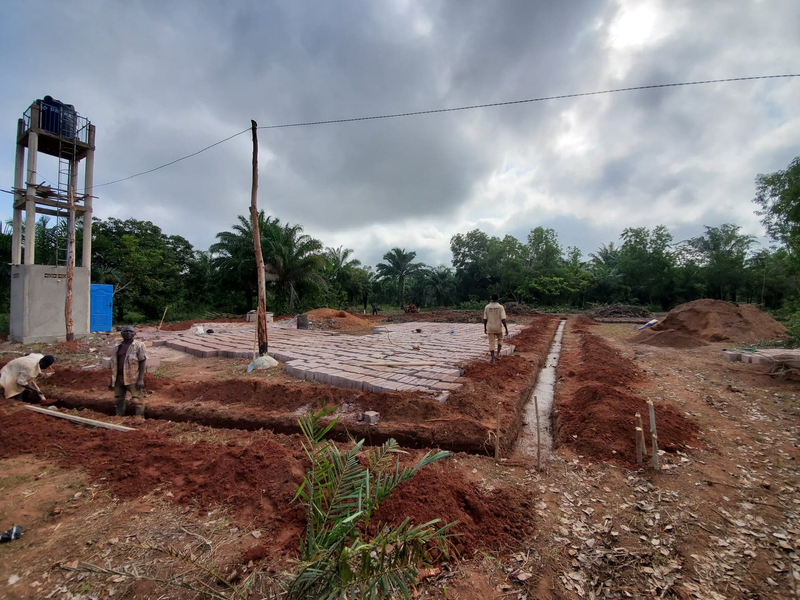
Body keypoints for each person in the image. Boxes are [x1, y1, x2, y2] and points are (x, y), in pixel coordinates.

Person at [108, 326, 147, 417]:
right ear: (121, 334)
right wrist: (112, 379)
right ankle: (119, 417)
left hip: (133, 377)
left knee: (137, 400)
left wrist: (140, 379)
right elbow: (114, 364)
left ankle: (139, 419)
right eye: (125, 331)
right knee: (118, 399)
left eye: (130, 331)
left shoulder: (139, 345)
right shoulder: (117, 346)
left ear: (134, 334)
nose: (128, 333)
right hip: (119, 378)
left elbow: (142, 361)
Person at [483, 294, 509, 364]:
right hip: (498, 327)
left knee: (491, 342)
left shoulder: (487, 307)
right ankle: (497, 354)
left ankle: (493, 359)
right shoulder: (500, 307)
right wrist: (506, 328)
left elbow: (485, 319)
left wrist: (485, 328)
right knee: (500, 339)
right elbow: (503, 319)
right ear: (498, 298)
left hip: (490, 327)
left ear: (491, 298)